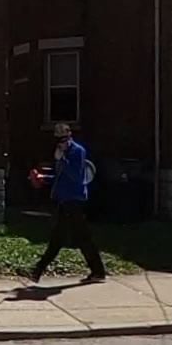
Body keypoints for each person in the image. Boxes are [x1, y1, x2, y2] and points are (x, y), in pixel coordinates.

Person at [26, 117, 105, 284]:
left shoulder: (78, 151)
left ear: (69, 136)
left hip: (74, 199)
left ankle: (38, 270)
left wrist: (62, 159)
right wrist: (43, 178)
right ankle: (98, 271)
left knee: (59, 237)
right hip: (63, 199)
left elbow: (76, 176)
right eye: (58, 138)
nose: (61, 142)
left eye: (63, 138)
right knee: (81, 237)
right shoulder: (61, 153)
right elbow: (59, 177)